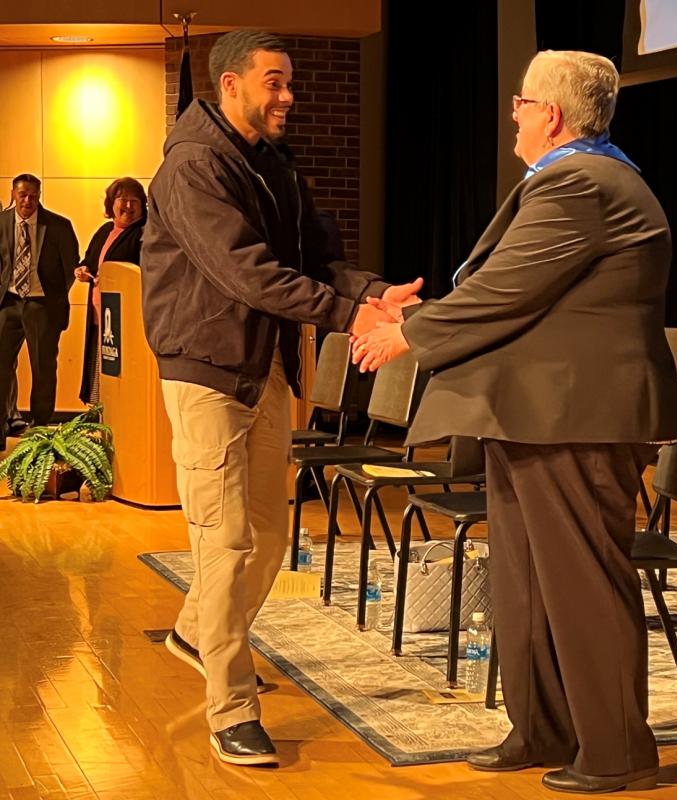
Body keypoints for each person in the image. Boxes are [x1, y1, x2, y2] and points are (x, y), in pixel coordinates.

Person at [353, 50, 677, 794]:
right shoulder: (578, 178)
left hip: (575, 416)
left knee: (580, 585)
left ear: (553, 115)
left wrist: (410, 334)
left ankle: (614, 749)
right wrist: (421, 311)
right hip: (533, 414)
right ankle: (540, 727)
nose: (512, 110)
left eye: (522, 100)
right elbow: (513, 288)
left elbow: (508, 289)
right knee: (527, 586)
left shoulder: (585, 182)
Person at [140, 29, 420, 767]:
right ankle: (231, 710)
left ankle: (197, 632)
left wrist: (375, 293)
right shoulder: (195, 166)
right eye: (275, 82)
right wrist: (351, 317)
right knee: (226, 542)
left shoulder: (271, 163)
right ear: (230, 85)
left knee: (266, 539)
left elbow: (315, 259)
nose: (288, 96)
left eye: (290, 82)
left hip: (262, 370)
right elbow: (250, 275)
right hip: (206, 372)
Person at [0, 174, 79, 451]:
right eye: (22, 195)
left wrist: (54, 300)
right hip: (7, 304)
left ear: (39, 195)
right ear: (13, 194)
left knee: (42, 368)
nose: (28, 201)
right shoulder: (1, 223)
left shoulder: (58, 226)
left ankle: (40, 431)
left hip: (41, 305)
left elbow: (70, 268)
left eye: (33, 195)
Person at [74, 177, 147, 405]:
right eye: (123, 200)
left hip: (125, 320)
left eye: (134, 201)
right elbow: (89, 261)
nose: (128, 206)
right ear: (111, 204)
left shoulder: (145, 232)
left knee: (117, 377)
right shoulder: (105, 230)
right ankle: (99, 419)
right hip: (100, 316)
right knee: (97, 371)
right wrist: (83, 270)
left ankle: (115, 422)